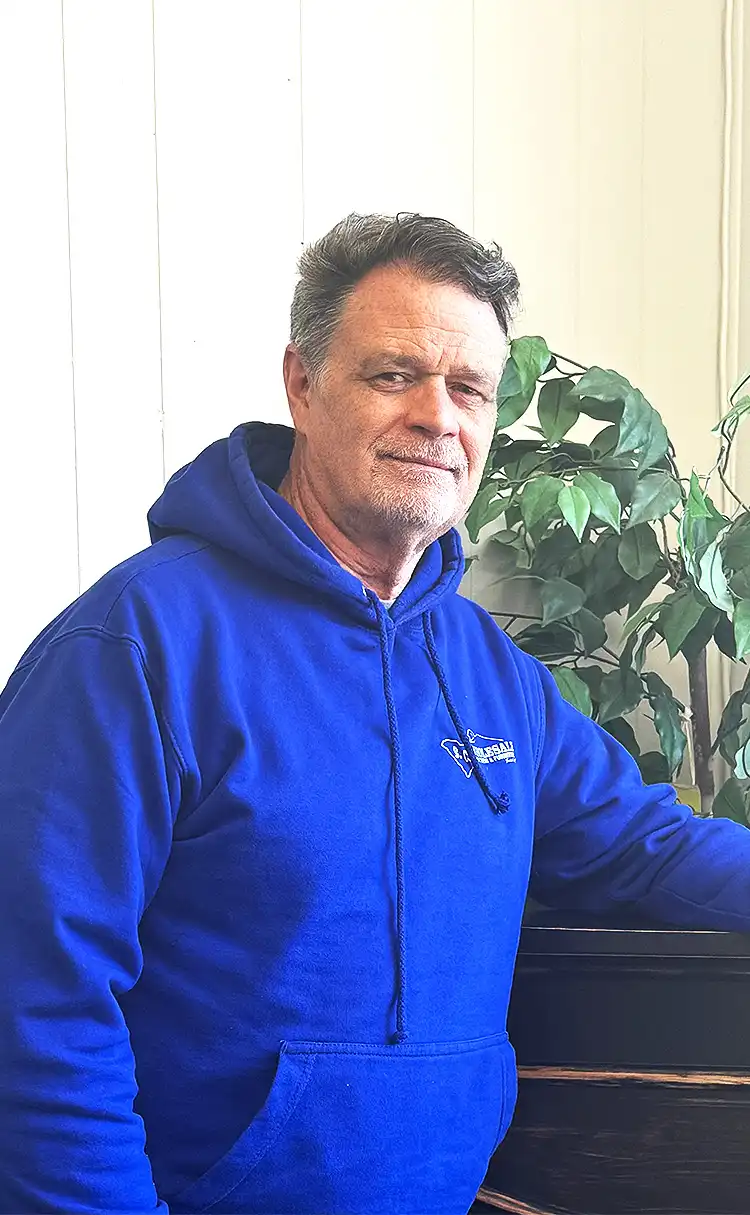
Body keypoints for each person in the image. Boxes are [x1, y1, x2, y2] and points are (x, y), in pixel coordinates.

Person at [1, 212, 749, 1215]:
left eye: (470, 388)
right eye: (395, 374)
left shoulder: (492, 671)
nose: (439, 416)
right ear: (302, 385)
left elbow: (647, 847)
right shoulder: (137, 645)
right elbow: (37, 996)